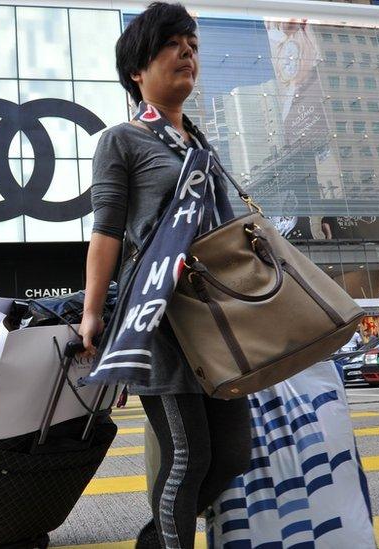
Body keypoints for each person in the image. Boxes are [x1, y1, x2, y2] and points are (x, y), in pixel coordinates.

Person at [78, 5, 250, 547]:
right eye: (172, 44)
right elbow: (106, 232)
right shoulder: (121, 141)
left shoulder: (203, 147)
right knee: (188, 455)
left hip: (219, 316)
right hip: (161, 317)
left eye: (192, 44)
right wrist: (92, 312)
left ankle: (155, 540)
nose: (188, 53)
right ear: (137, 70)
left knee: (233, 453)